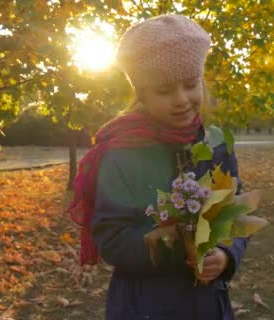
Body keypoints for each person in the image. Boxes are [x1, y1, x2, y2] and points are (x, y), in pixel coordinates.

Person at [69, 14, 247, 320]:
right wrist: (176, 244)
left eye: (191, 84)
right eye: (164, 91)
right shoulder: (124, 154)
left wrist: (226, 254)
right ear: (142, 94)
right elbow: (111, 237)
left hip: (207, 306)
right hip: (144, 306)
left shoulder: (216, 145)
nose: (181, 100)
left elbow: (236, 212)